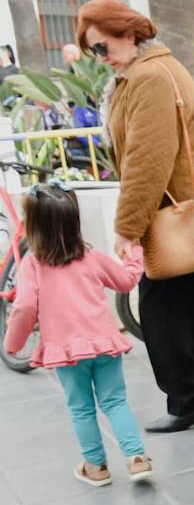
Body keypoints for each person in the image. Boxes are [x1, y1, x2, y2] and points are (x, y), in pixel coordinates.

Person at [78, 0, 194, 433]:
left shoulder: (149, 78)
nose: (99, 58)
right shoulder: (155, 70)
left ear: (127, 34)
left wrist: (127, 227)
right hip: (185, 214)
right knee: (192, 314)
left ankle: (188, 403)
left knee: (165, 319)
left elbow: (148, 161)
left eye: (100, 46)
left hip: (171, 218)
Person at [4, 183, 153, 486]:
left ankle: (96, 467)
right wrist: (135, 253)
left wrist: (12, 343)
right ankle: (137, 459)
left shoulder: (33, 265)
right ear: (75, 221)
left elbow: (24, 307)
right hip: (104, 344)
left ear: (33, 226)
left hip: (65, 352)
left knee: (81, 407)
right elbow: (125, 281)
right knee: (115, 401)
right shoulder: (90, 256)